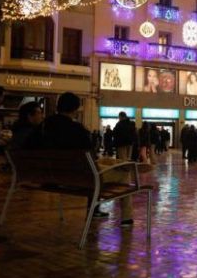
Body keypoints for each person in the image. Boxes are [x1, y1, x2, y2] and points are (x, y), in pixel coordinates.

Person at [25, 92, 134, 224]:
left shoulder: (43, 125)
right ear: (76, 109)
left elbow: (30, 145)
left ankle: (95, 210)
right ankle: (126, 218)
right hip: (80, 178)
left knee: (95, 169)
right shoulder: (77, 129)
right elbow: (91, 155)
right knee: (124, 172)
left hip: (50, 176)